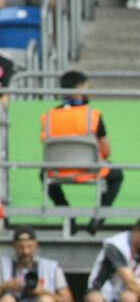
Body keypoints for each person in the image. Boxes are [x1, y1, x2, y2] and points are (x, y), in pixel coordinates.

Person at [40, 71, 125, 236]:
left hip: (57, 171)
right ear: (79, 88)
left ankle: (68, 216)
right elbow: (107, 152)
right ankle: (98, 219)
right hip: (90, 171)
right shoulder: (92, 115)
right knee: (116, 174)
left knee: (43, 174)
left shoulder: (48, 117)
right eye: (87, 87)